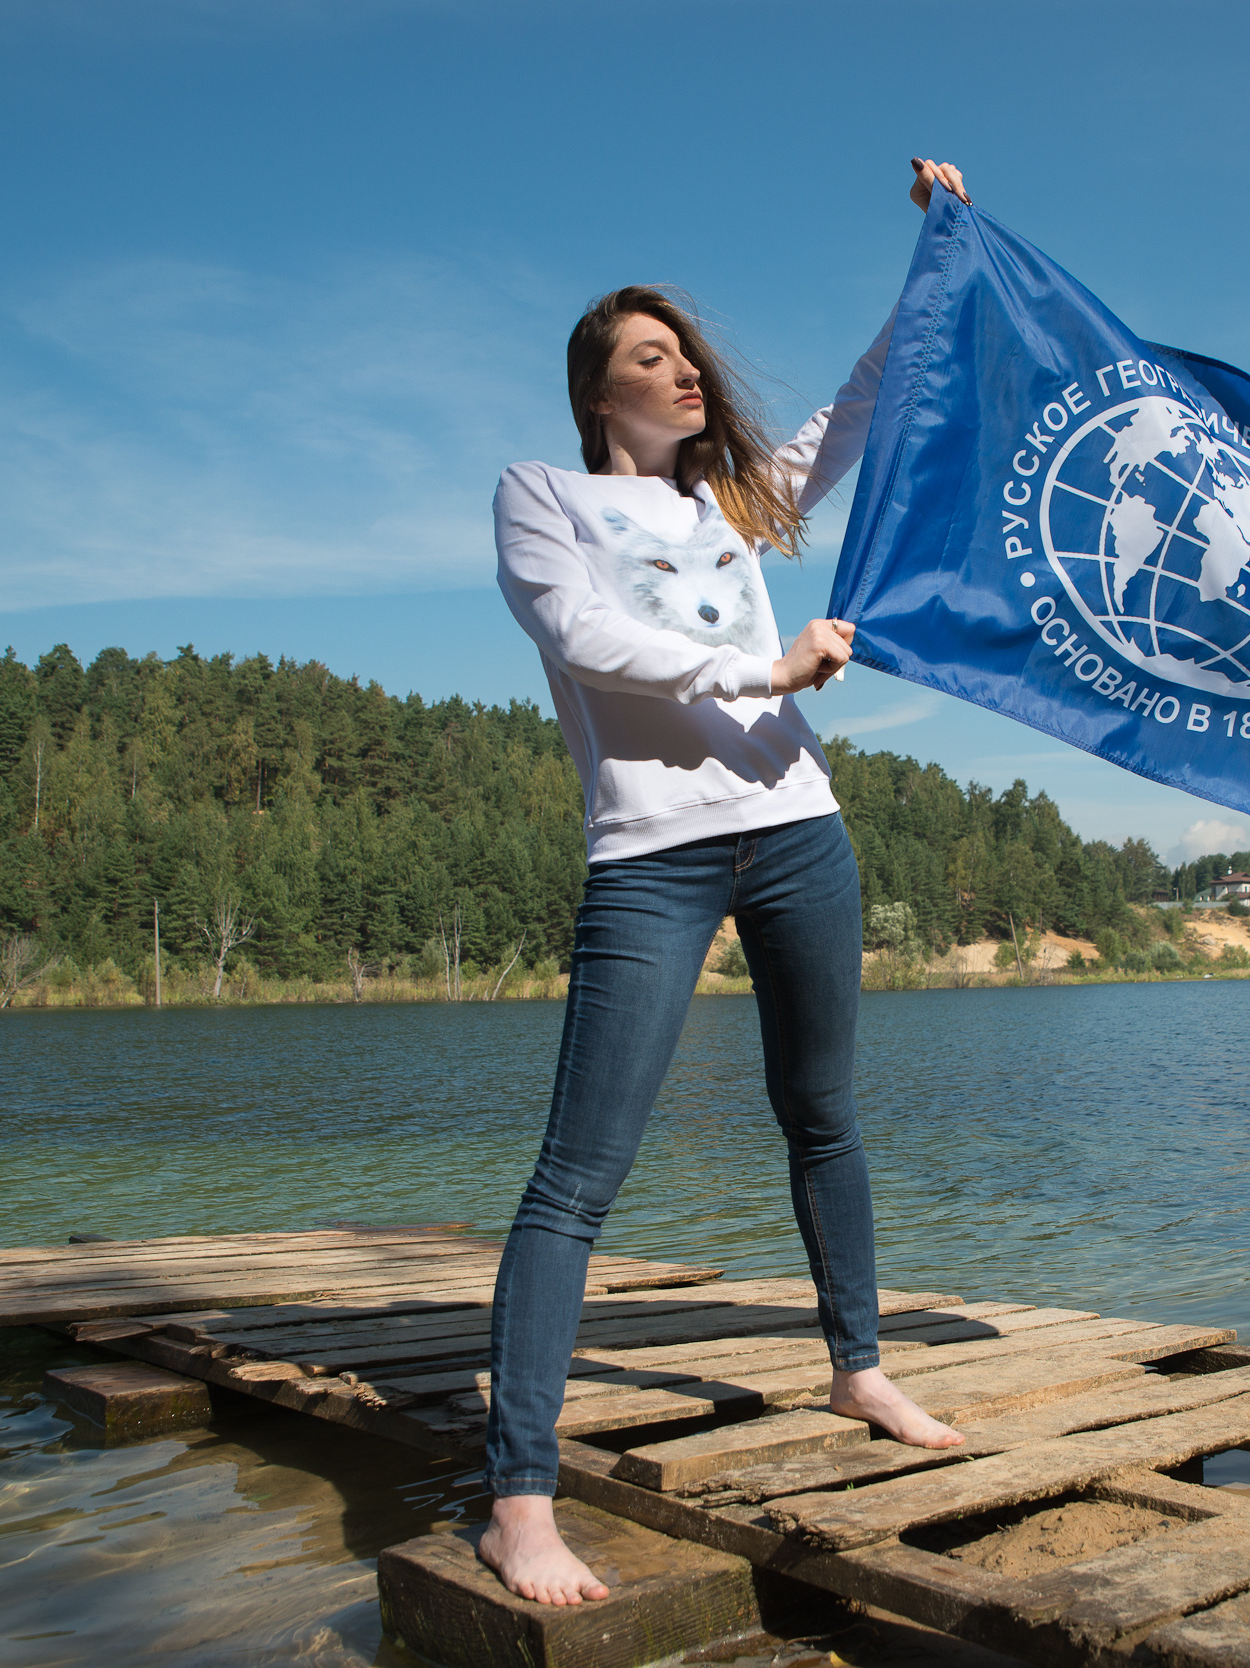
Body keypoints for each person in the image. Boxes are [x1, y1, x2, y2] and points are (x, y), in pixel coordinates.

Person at [478, 158, 975, 1605]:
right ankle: (519, 1497)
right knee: (578, 1174)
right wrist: (761, 669)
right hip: (652, 853)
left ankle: (858, 1368)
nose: (684, 368)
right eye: (651, 356)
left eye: (686, 351)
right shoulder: (543, 497)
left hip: (800, 828)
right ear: (597, 390)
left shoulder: (733, 502)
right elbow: (584, 640)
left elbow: (861, 408)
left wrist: (940, 255)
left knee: (824, 1115)